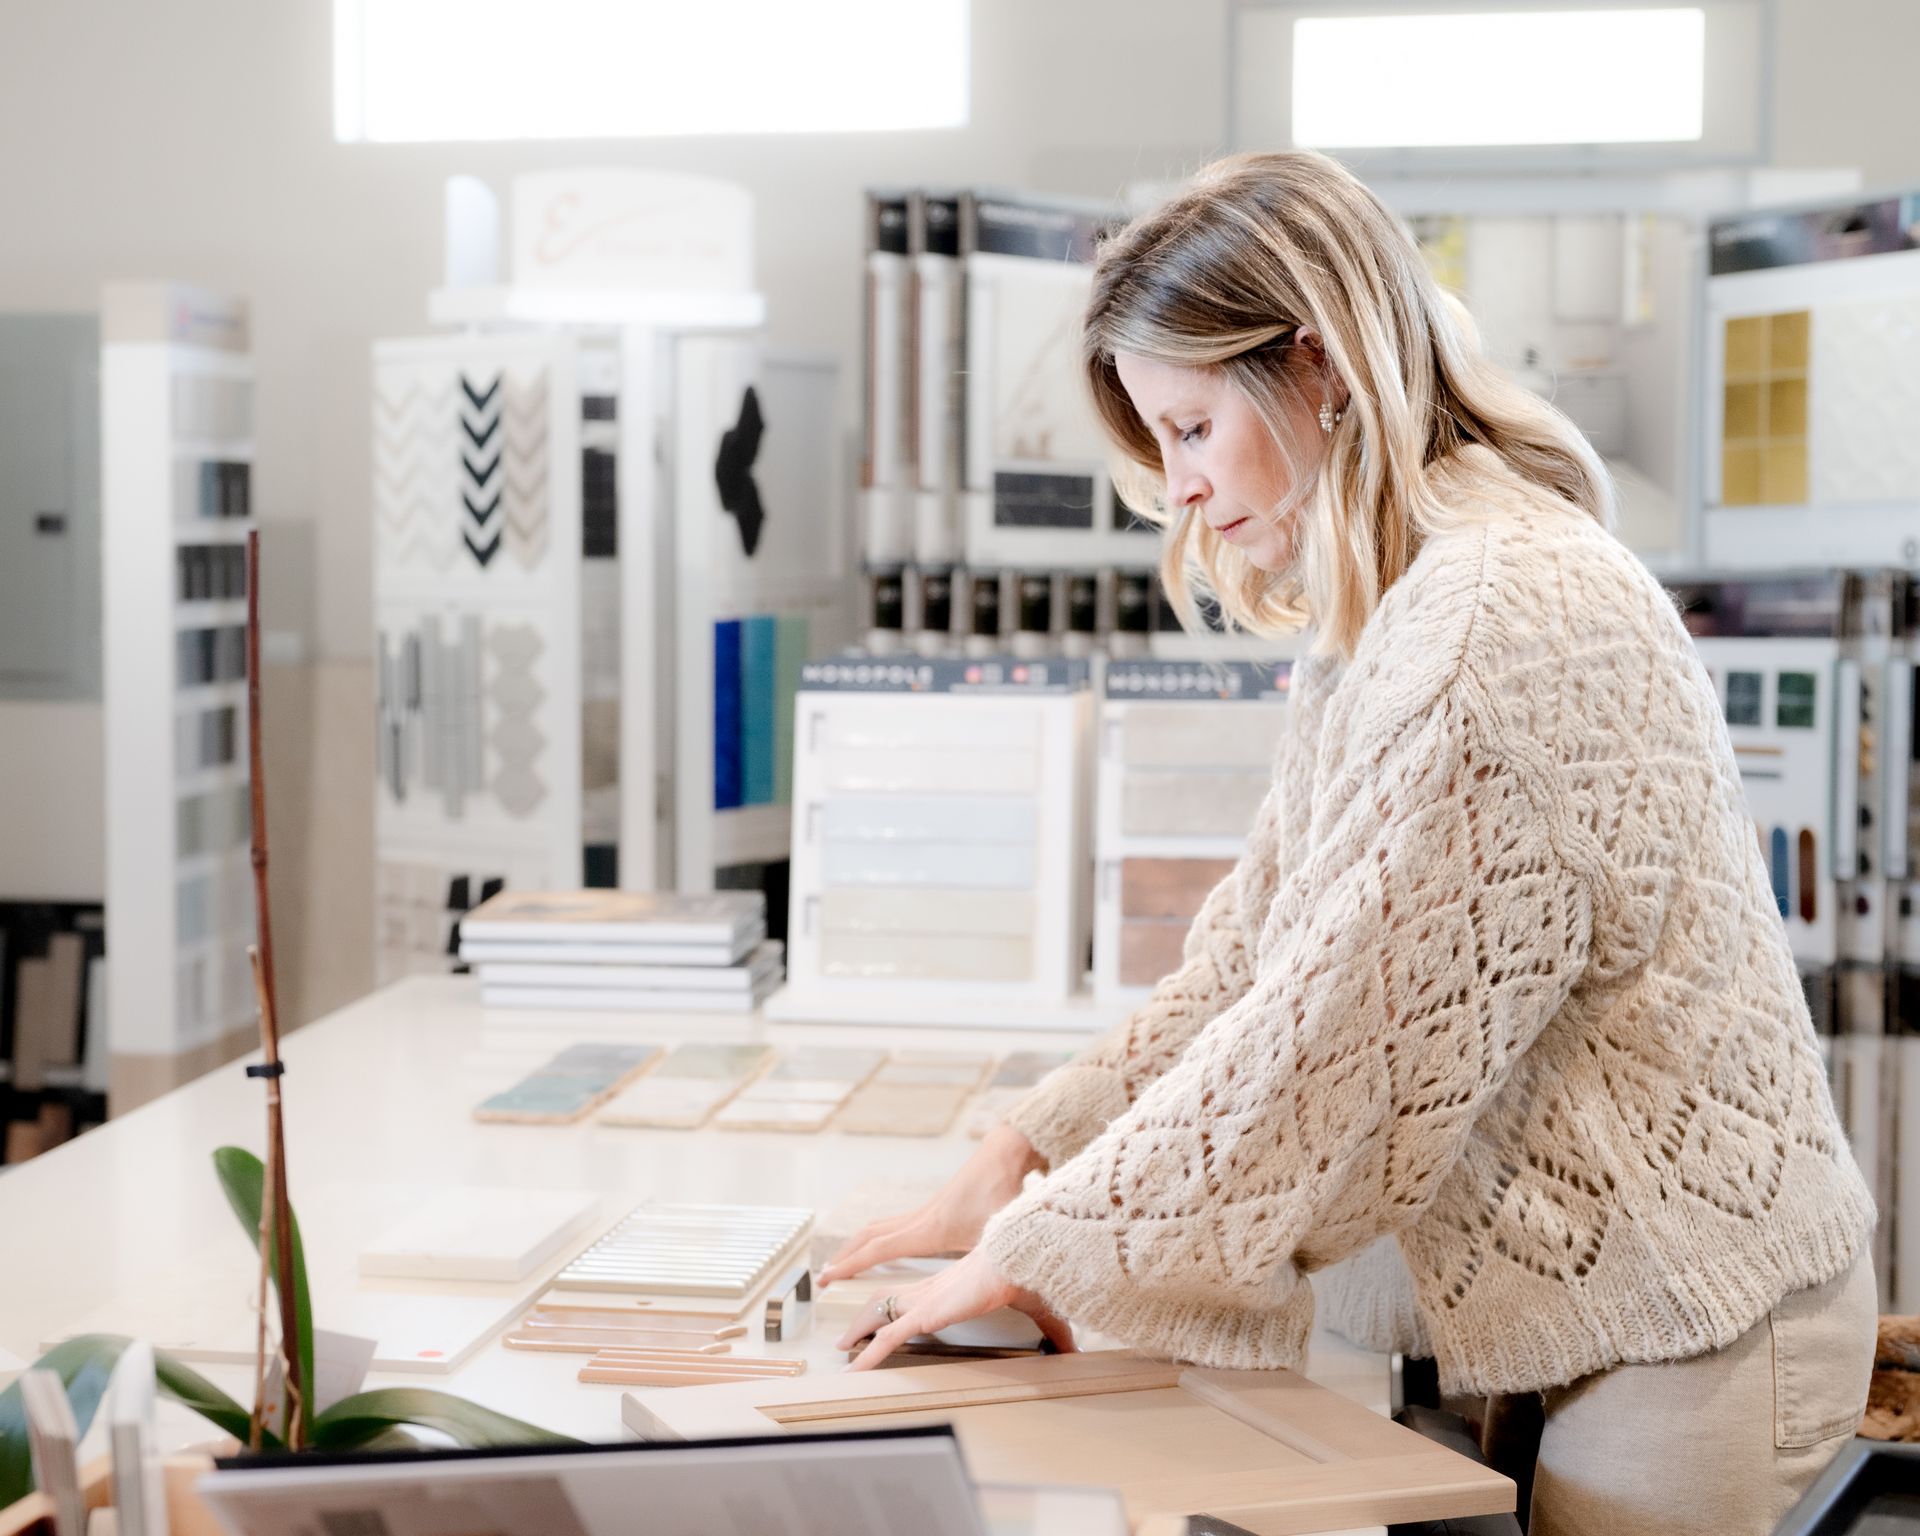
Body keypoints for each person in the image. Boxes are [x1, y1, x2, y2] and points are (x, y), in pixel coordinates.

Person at [821, 151, 1878, 1535]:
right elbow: (1255, 962)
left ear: (1315, 364)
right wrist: (1022, 1153)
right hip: (1596, 1312)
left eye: (1193, 428)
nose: (1182, 489)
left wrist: (1051, 1251)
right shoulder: (1395, 600)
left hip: (1693, 1323)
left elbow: (1335, 1040)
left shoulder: (1500, 616)